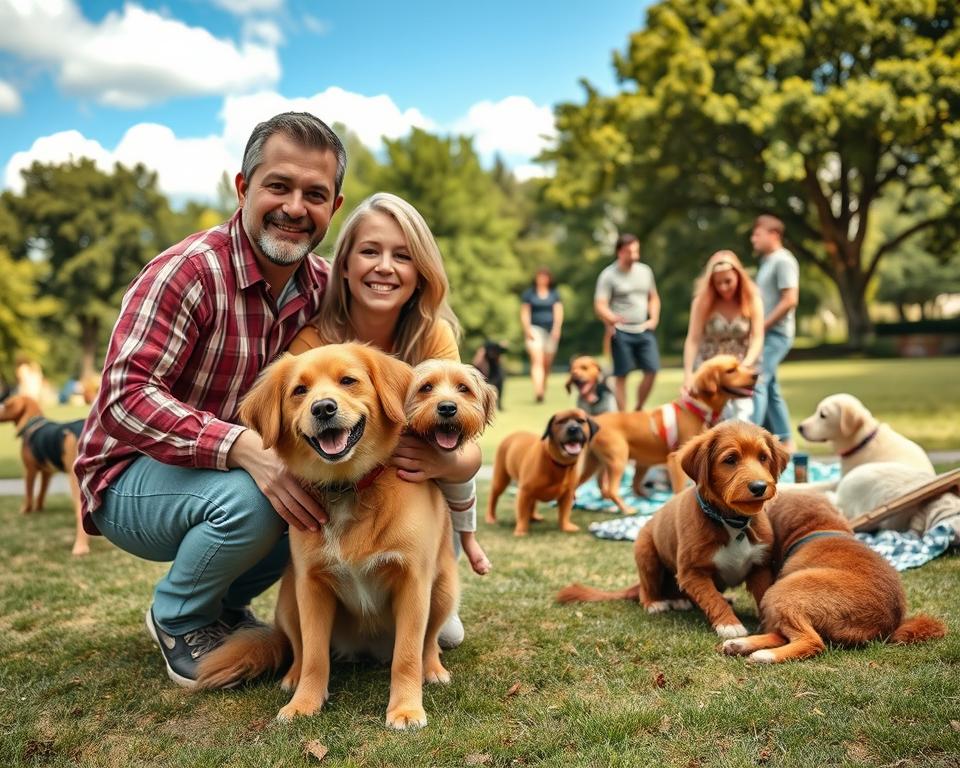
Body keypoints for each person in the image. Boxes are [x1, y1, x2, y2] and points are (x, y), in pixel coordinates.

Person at [74, 112, 346, 688]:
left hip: (227, 476)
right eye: (279, 186)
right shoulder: (188, 272)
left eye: (314, 194)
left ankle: (222, 604)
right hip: (127, 478)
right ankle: (179, 617)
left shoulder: (321, 285)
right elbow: (124, 397)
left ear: (334, 207)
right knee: (260, 494)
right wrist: (243, 445)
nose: (295, 207)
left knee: (316, 490)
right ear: (243, 187)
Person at [288, 192, 491, 647]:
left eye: (402, 256)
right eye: (369, 251)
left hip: (417, 518)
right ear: (343, 265)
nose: (385, 267)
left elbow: (465, 446)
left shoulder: (431, 334)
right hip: (336, 504)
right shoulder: (313, 344)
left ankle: (419, 587)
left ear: (420, 272)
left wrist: (445, 464)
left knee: (447, 634)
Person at [682, 250, 764, 421]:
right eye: (718, 283)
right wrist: (688, 374)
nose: (723, 287)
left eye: (728, 281)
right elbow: (693, 339)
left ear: (738, 276)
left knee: (744, 416)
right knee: (715, 420)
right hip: (712, 372)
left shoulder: (752, 299)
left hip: (741, 366)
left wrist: (746, 365)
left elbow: (757, 337)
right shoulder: (702, 301)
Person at [593, 233, 661, 411]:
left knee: (652, 369)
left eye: (636, 251)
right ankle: (624, 414)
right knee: (621, 374)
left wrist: (654, 318)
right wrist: (610, 317)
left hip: (643, 329)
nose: (635, 256)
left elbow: (653, 297)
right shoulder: (608, 275)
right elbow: (600, 304)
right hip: (620, 331)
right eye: (630, 252)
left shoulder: (645, 271)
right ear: (620, 252)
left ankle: (638, 408)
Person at [750, 214, 800, 452]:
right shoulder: (767, 262)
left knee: (757, 381)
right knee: (770, 388)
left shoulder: (783, 261)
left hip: (776, 334)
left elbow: (790, 299)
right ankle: (786, 442)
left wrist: (763, 326)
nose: (753, 239)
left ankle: (748, 437)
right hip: (766, 333)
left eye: (757, 234)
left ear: (774, 235)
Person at [520, 267, 563, 403]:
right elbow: (525, 312)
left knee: (546, 364)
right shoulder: (529, 294)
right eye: (540, 276)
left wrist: (557, 328)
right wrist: (527, 329)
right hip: (535, 329)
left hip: (551, 330)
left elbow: (558, 312)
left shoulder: (554, 294)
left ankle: (543, 388)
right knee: (537, 361)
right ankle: (538, 391)